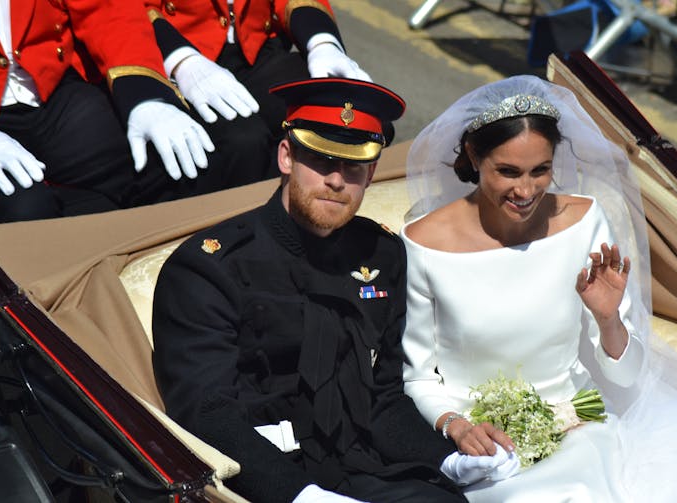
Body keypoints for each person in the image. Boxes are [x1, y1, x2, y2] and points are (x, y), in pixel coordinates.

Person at [151, 77, 521, 503]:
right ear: (287, 156)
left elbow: (382, 400)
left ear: (372, 172)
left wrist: (446, 461)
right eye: (322, 160)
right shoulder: (209, 267)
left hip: (365, 470)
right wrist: (301, 495)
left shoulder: (382, 255)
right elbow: (209, 415)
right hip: (263, 483)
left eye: (353, 166)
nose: (336, 180)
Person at [400, 75, 677, 502]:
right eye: (508, 172)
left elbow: (626, 375)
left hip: (579, 432)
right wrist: (458, 427)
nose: (526, 191)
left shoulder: (585, 221)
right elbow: (418, 377)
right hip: (483, 452)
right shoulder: (422, 243)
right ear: (473, 155)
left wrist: (608, 318)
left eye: (540, 171)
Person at [0, 0, 261, 224]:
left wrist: (145, 95)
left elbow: (105, 10)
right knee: (25, 212)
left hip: (50, 87)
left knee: (175, 163)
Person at [142, 0, 370, 158]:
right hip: (180, 50)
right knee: (244, 143)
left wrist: (322, 42)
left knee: (351, 119)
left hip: (257, 48)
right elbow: (131, 9)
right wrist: (182, 60)